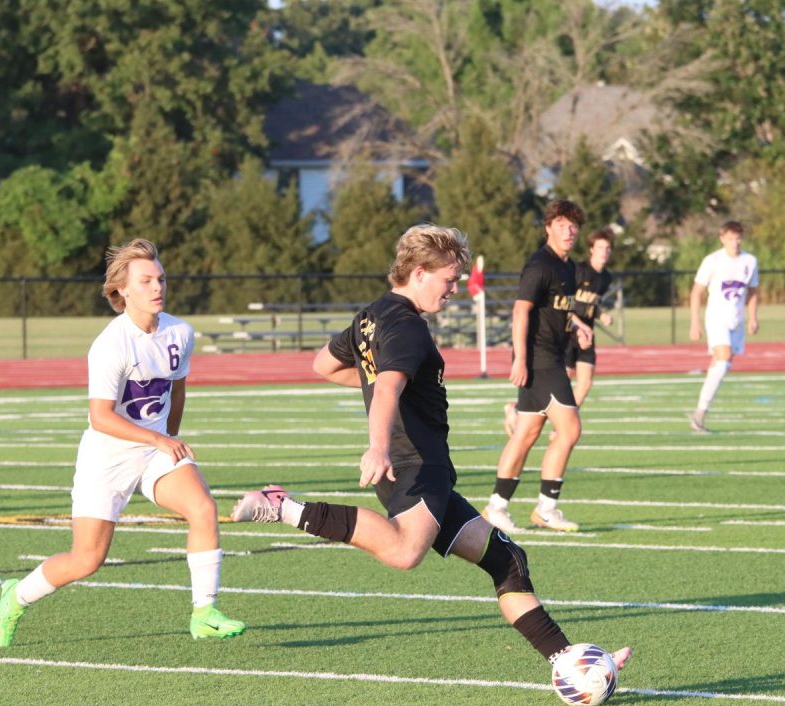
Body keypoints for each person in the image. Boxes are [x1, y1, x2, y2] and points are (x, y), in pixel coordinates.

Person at [229, 224, 630, 674]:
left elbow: (324, 364)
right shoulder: (406, 327)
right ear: (419, 273)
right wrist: (377, 444)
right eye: (448, 279)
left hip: (422, 465)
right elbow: (386, 388)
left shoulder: (372, 315)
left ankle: (567, 661)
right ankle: (282, 507)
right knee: (404, 552)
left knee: (507, 560)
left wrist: (383, 392)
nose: (454, 290)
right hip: (416, 464)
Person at [0, 239, 245, 647]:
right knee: (87, 559)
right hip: (107, 456)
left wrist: (170, 439)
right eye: (145, 280)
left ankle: (204, 612)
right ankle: (15, 596)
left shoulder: (180, 332)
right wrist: (159, 438)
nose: (157, 286)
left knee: (203, 507)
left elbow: (177, 391)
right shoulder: (110, 345)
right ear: (123, 290)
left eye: (160, 278)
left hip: (155, 450)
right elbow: (101, 417)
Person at [486, 200, 593, 535]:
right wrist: (519, 358)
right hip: (540, 360)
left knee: (526, 434)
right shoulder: (540, 265)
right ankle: (546, 508)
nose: (568, 230)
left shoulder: (568, 267)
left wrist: (577, 325)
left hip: (551, 357)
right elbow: (521, 312)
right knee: (570, 429)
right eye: (561, 224)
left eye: (573, 225)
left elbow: (557, 309)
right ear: (548, 227)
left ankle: (497, 507)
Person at [687, 220, 759, 434]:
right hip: (716, 318)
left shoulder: (750, 261)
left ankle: (700, 414)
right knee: (724, 358)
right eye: (730, 239)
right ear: (722, 239)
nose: (734, 243)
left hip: (736, 321)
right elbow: (696, 292)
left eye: (737, 238)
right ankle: (699, 415)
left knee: (719, 366)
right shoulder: (713, 261)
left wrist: (753, 317)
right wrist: (694, 322)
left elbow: (753, 292)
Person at [565, 227, 616, 408]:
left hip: (587, 334)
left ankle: (564, 422)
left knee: (585, 383)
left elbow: (592, 305)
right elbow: (564, 304)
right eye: (600, 247)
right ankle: (517, 409)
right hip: (567, 331)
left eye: (608, 248)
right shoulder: (578, 270)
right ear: (592, 249)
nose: (604, 252)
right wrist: (579, 325)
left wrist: (602, 315)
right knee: (561, 384)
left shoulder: (606, 278)